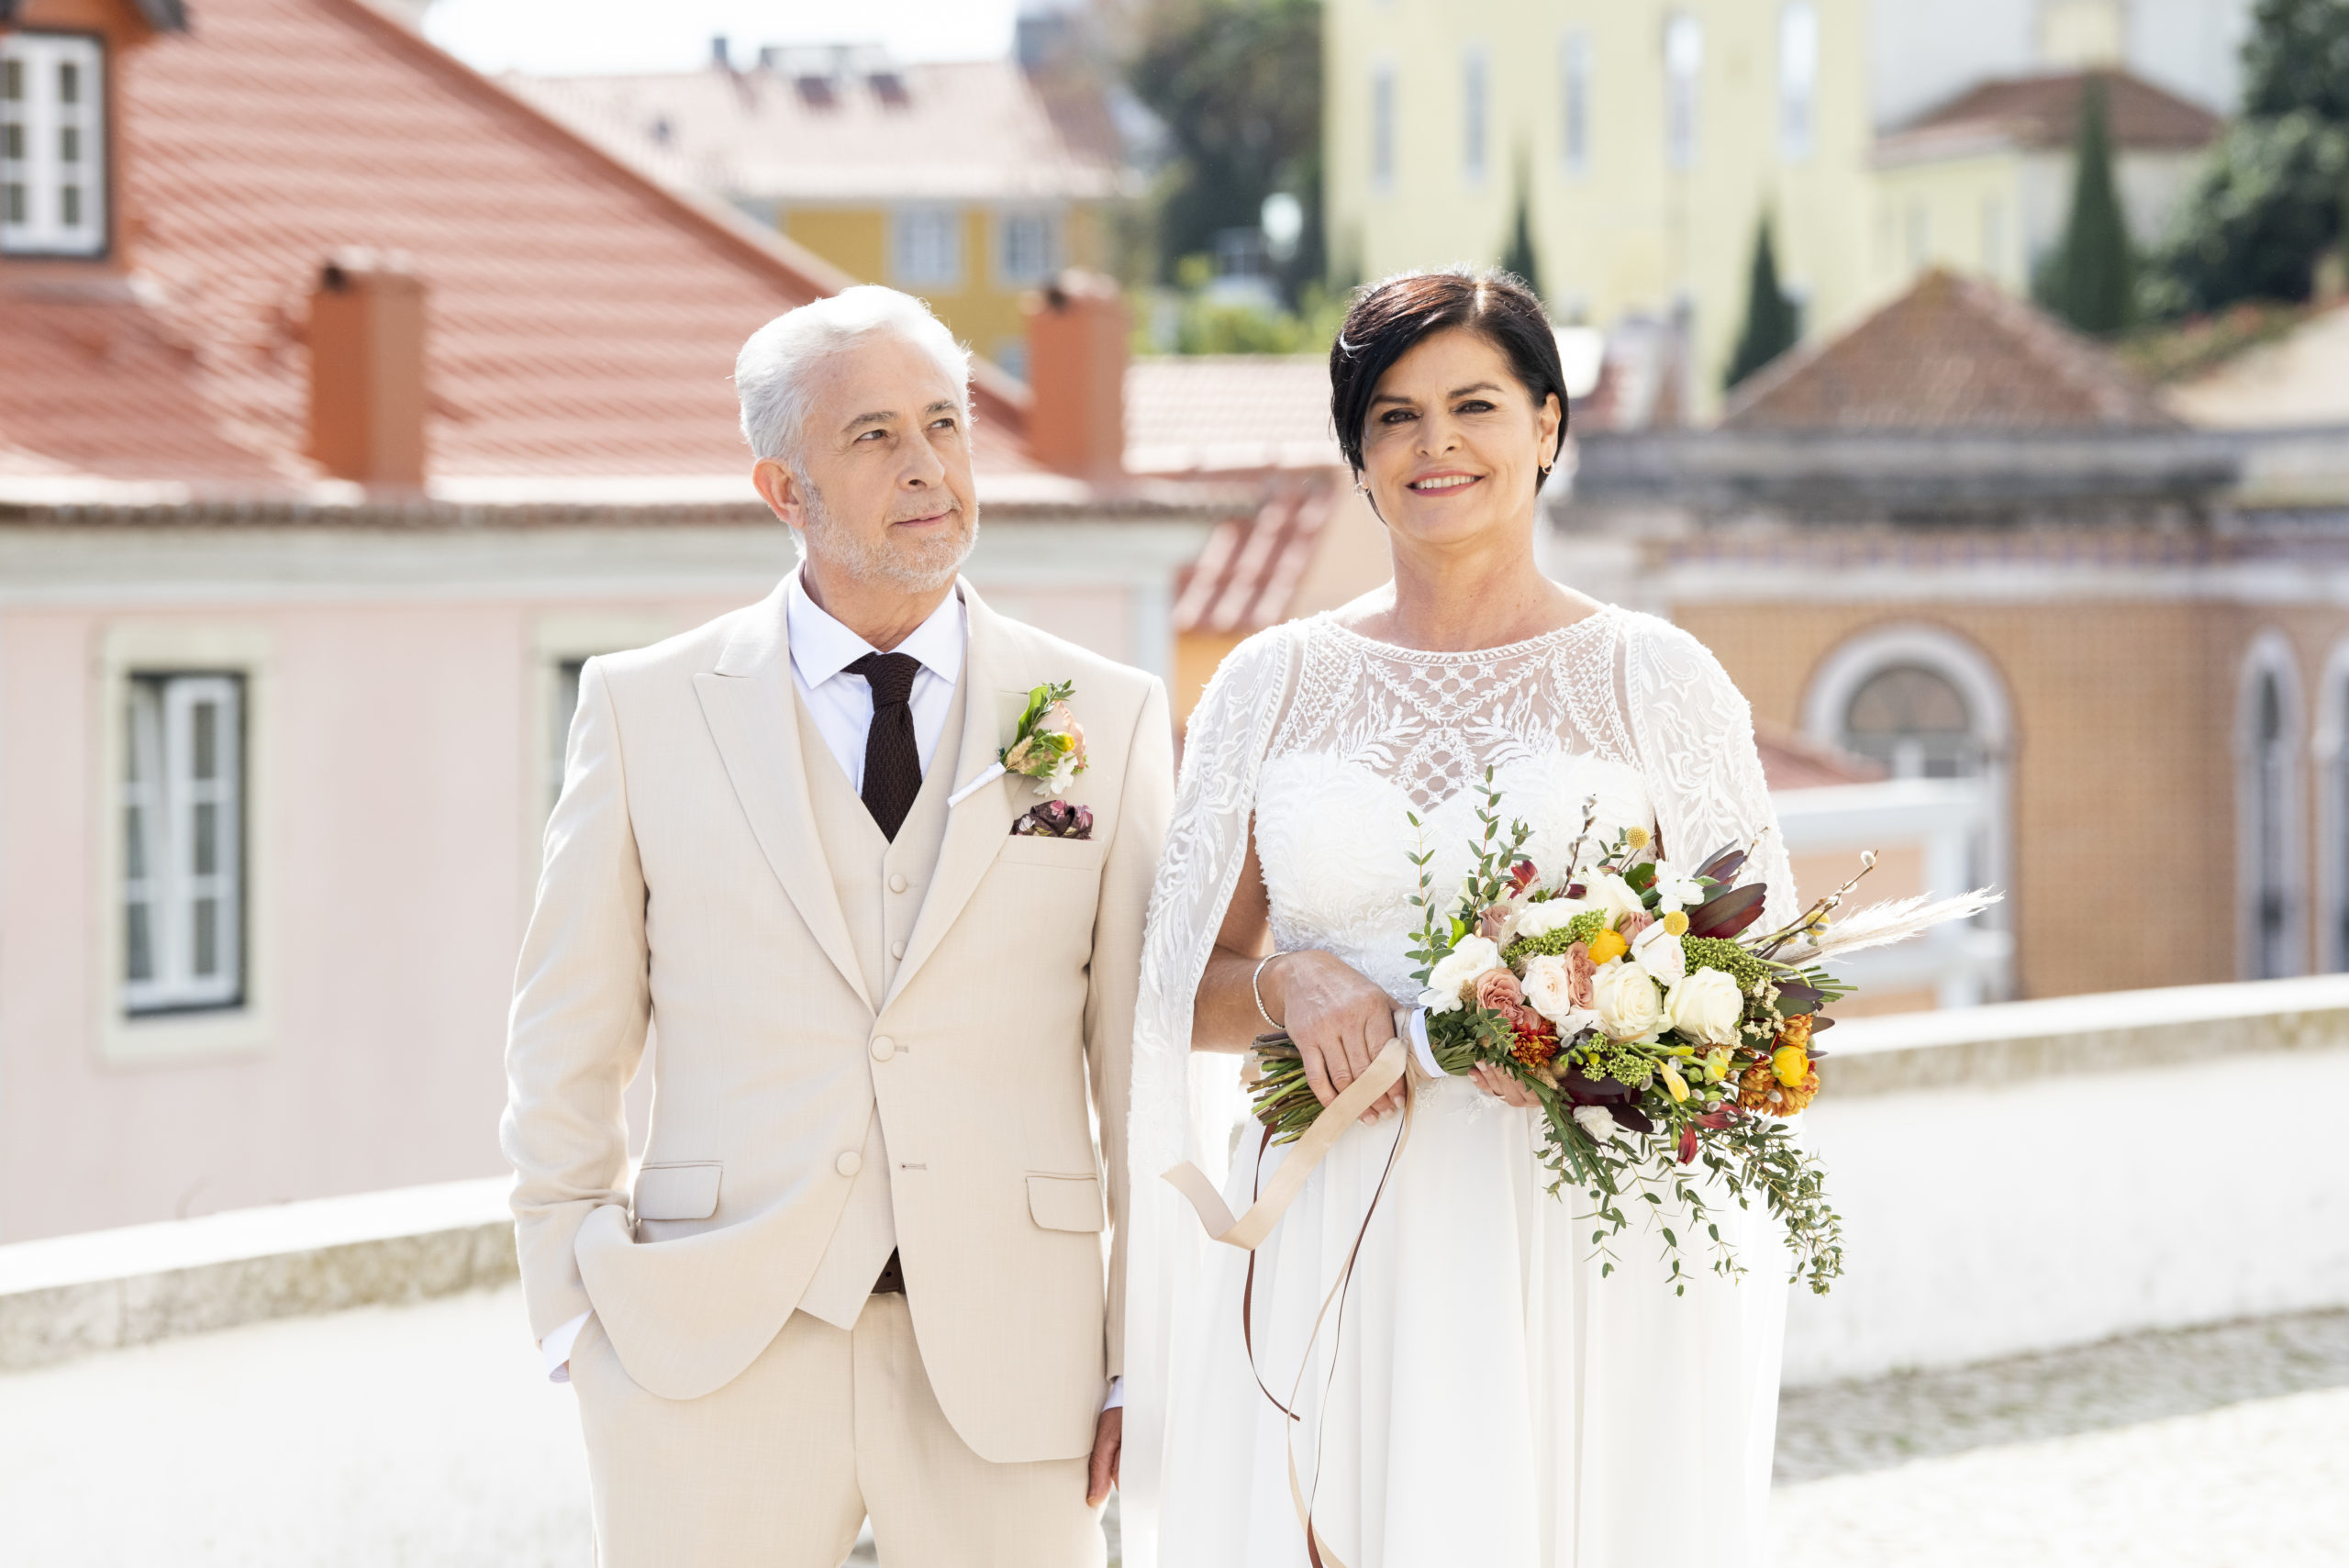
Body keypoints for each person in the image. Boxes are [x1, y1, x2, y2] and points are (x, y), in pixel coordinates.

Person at [1119, 269, 1794, 1568]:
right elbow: (1172, 988)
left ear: (1547, 425)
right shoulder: (1271, 683)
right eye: (1394, 415)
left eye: (1474, 404)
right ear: (1357, 456)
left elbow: (1754, 987)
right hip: (1333, 1214)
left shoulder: (1654, 676)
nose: (1437, 444)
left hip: (1571, 1225)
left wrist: (1587, 1018)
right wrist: (1287, 983)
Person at [501, 285, 1166, 1567]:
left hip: (1016, 1368)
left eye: (946, 425)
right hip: (707, 1352)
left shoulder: (1106, 713)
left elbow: (1137, 1083)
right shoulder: (645, 709)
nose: (928, 469)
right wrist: (573, 1315)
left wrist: (1144, 1351)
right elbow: (562, 1038)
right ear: (782, 487)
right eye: (873, 437)